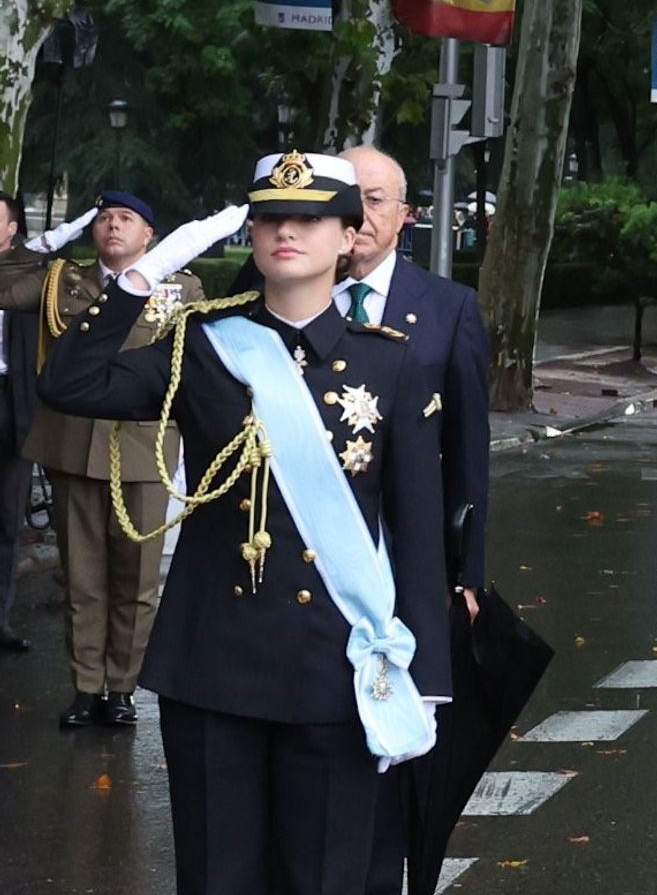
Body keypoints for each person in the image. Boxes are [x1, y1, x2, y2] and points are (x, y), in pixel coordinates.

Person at [39, 151, 452, 895]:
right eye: (269, 218)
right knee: (216, 875)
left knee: (323, 876)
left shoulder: (391, 366)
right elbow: (71, 383)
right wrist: (138, 281)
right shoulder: (202, 345)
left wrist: (424, 679)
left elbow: (419, 533)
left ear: (347, 236)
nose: (285, 231)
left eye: (309, 217)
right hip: (213, 662)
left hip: (333, 664)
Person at [336, 146, 493, 895]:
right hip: (319, 562)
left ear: (405, 215)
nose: (358, 216)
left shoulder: (447, 308)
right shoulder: (286, 297)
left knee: (398, 748)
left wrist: (468, 577)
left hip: (409, 565)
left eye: (373, 199)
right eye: (343, 198)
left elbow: (469, 454)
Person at [0, 192, 204, 727]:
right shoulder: (62, 281)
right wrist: (40, 244)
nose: (113, 225)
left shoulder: (181, 288)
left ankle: (122, 688)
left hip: (141, 445)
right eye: (104, 218)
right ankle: (86, 686)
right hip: (71, 442)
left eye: (126, 218)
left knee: (135, 581)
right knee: (82, 578)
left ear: (149, 236)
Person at [0, 193, 37, 653]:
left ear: (12, 230)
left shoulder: (36, 275)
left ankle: (0, 618)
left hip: (14, 402)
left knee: (7, 519)